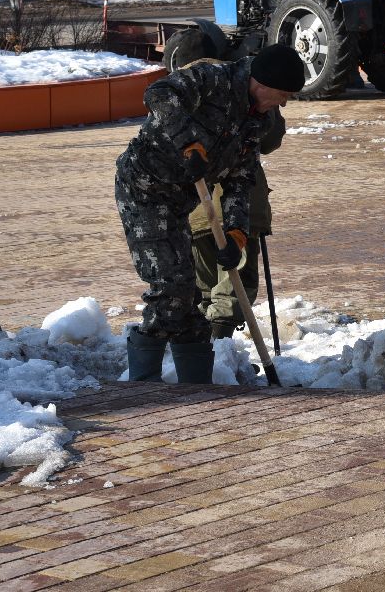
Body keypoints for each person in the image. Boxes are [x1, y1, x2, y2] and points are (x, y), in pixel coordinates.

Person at [117, 42, 305, 383]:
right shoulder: (213, 79)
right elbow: (158, 93)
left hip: (181, 201)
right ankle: (142, 386)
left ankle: (197, 389)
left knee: (189, 301)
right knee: (171, 287)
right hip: (145, 189)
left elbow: (240, 179)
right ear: (263, 83)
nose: (284, 103)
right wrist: (189, 143)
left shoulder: (258, 122)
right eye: (282, 94)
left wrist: (235, 234)